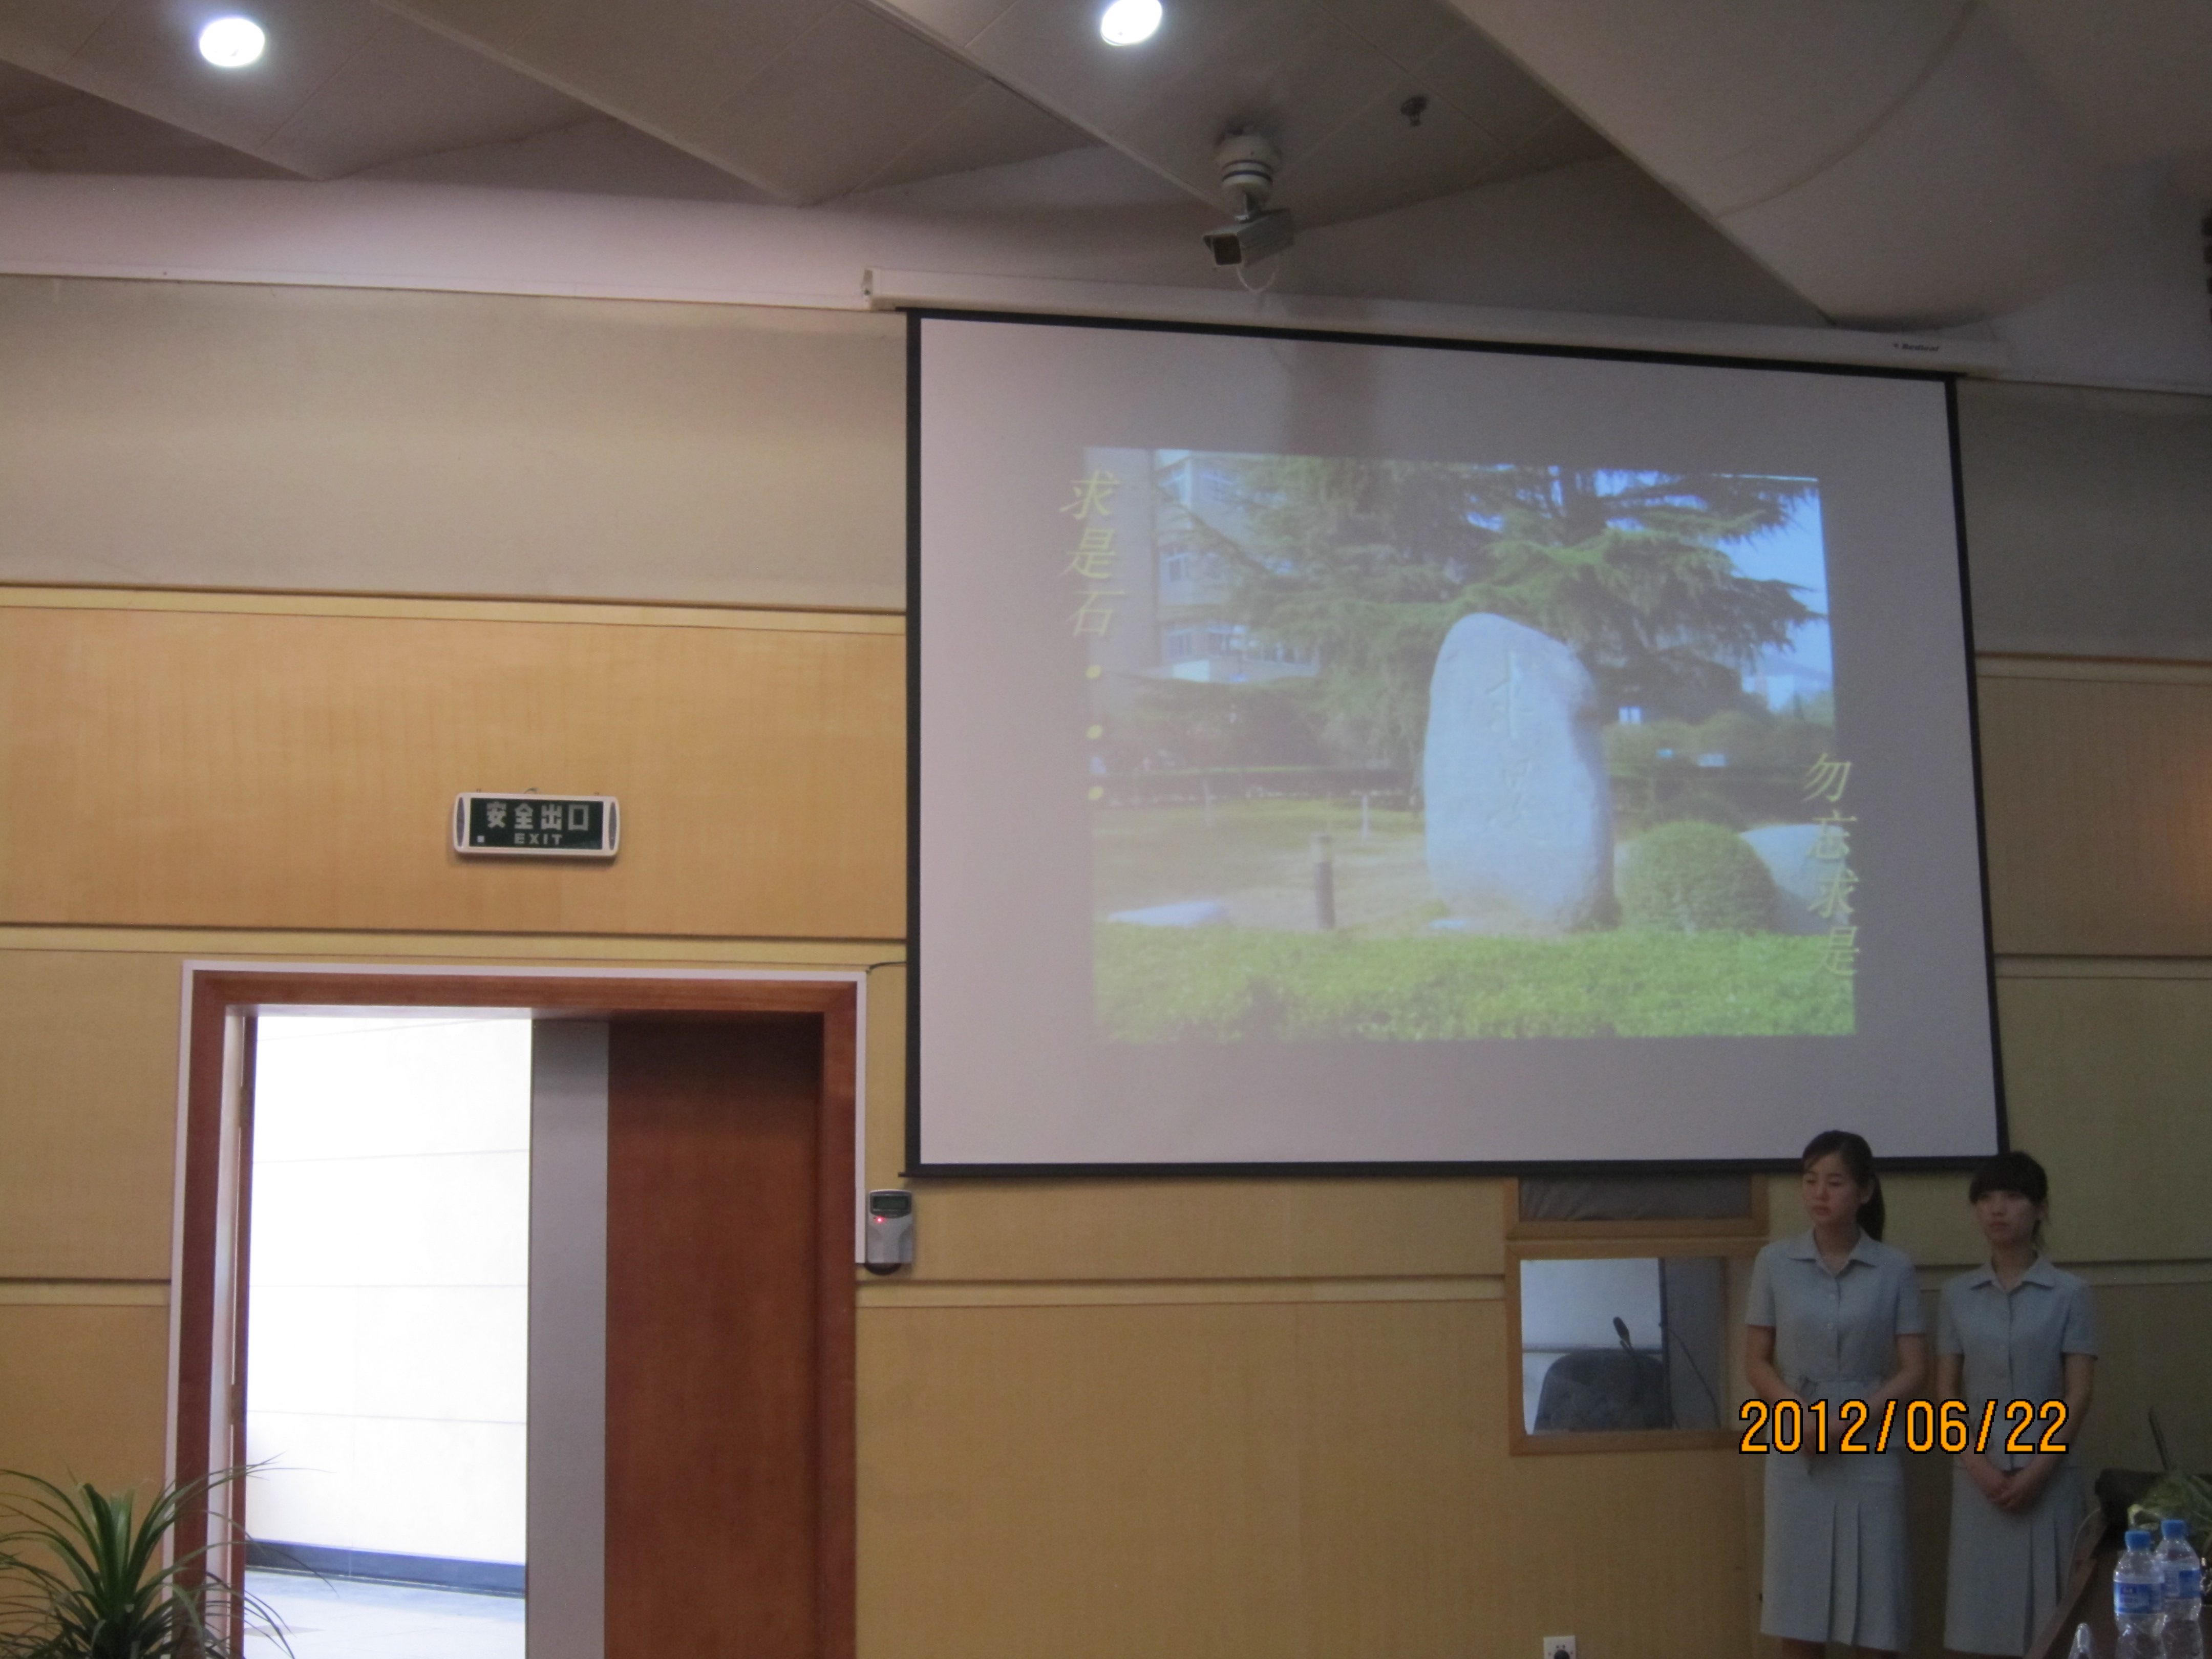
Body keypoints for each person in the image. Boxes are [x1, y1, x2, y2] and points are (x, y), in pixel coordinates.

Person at [1746, 1129, 1930, 1658]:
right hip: (1796, 1442)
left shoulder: (1894, 1267)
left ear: (1865, 1191)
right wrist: (1799, 1414)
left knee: (1877, 1609)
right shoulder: (1774, 1262)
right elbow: (1755, 1361)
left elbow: (1915, 1369)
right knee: (1799, 1607)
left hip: (1871, 1441)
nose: (1819, 1194)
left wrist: (1852, 1417)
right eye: (1810, 1181)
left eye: (1835, 1182)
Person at [1938, 1150, 2098, 1656]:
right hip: (1978, 1477)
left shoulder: (2070, 1293)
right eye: (1986, 1198)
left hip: (2048, 1477)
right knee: (1985, 1624)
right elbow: (1945, 1394)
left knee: (2052, 1623)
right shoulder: (1957, 1294)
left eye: (2012, 1197)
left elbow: (2079, 1392)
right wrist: (1975, 1463)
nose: (1997, 1209)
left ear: (2041, 1208)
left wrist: (2040, 1467)